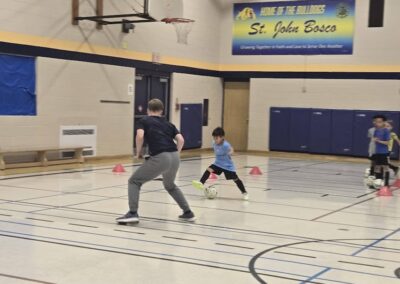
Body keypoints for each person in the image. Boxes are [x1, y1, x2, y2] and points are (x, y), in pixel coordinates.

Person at [116, 99, 195, 224]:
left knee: (134, 181)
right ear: (161, 111)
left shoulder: (144, 121)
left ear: (148, 110)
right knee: (170, 185)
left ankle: (132, 213)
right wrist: (176, 154)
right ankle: (188, 212)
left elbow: (140, 136)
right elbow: (181, 140)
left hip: (160, 156)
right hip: (175, 156)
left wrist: (138, 153)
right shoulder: (169, 124)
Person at [192, 127, 249, 200]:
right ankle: (201, 183)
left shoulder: (226, 145)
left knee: (235, 179)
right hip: (218, 164)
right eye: (214, 138)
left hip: (227, 166)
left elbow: (231, 149)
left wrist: (230, 153)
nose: (215, 140)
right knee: (209, 169)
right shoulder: (214, 143)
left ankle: (244, 192)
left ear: (222, 137)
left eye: (216, 138)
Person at [372, 115, 391, 188]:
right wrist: (374, 139)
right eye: (376, 122)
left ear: (383, 122)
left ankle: (386, 184)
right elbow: (374, 138)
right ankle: (378, 181)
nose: (377, 123)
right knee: (377, 167)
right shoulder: (376, 130)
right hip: (377, 152)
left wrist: (379, 141)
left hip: (384, 152)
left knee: (385, 167)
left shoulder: (386, 131)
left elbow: (387, 143)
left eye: (379, 122)